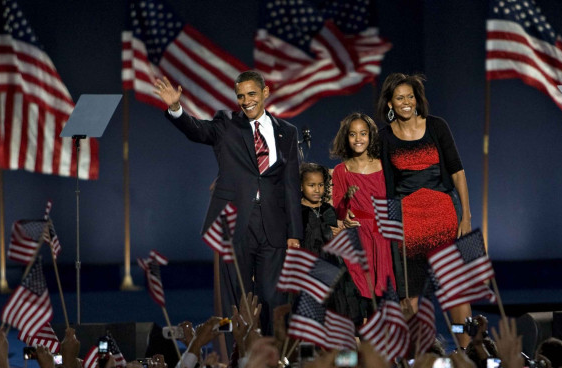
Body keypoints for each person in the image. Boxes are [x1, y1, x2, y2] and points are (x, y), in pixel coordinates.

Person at [153, 71, 303, 335]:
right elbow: (197, 131)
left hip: (274, 225)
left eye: (252, 94)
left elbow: (291, 185)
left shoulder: (287, 133)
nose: (246, 101)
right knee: (240, 302)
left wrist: (294, 235)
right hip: (235, 224)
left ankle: (272, 360)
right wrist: (176, 108)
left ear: (265, 93)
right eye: (240, 96)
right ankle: (242, 360)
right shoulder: (226, 124)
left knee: (272, 297)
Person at [376, 73, 473, 345]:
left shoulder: (436, 127)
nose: (406, 102)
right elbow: (380, 182)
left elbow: (457, 171)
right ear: (390, 104)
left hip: (443, 217)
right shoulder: (384, 138)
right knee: (411, 297)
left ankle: (467, 354)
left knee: (455, 291)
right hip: (408, 225)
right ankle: (419, 361)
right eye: (399, 98)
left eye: (410, 96)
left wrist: (466, 215)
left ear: (417, 100)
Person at [330, 112, 394, 303]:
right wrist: (346, 206)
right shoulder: (342, 171)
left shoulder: (385, 165)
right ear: (346, 137)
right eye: (352, 134)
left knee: (384, 295)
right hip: (357, 237)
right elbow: (338, 210)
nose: (358, 139)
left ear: (371, 135)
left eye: (363, 133)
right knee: (361, 295)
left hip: (383, 235)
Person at [299, 162, 365, 324]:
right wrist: (325, 231)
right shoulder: (297, 212)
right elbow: (306, 237)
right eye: (311, 185)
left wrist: (338, 231)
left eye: (320, 185)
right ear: (301, 186)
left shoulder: (328, 209)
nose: (317, 190)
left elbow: (336, 233)